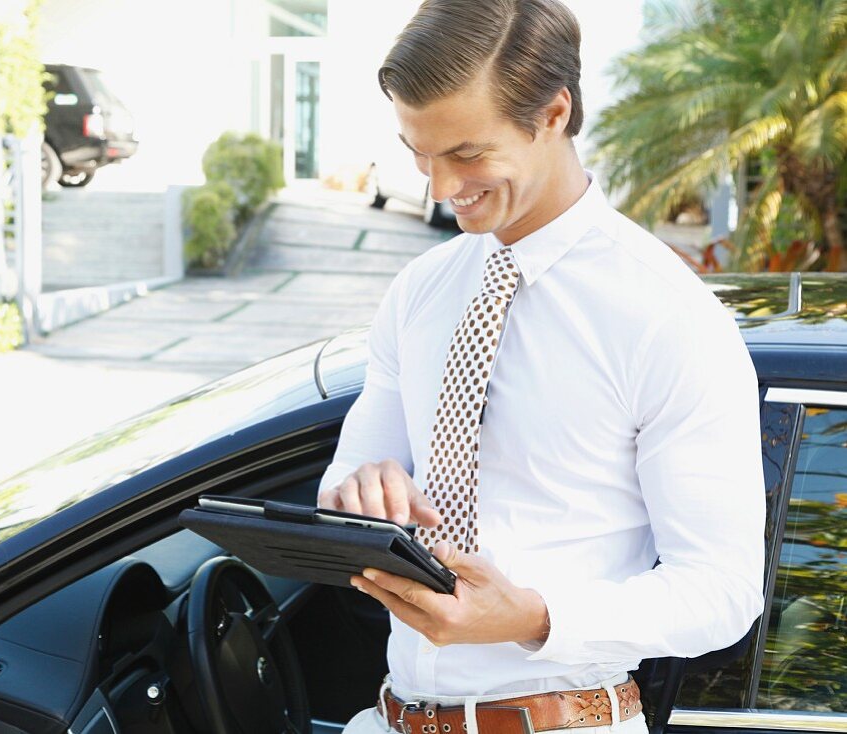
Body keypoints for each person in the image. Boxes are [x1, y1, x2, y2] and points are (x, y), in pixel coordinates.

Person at [316, 1, 767, 733]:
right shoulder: (420, 291)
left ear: (554, 113)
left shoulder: (667, 317)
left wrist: (532, 616)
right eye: (416, 153)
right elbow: (344, 489)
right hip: (389, 717)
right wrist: (358, 494)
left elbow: (721, 591)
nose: (437, 187)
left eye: (465, 153)